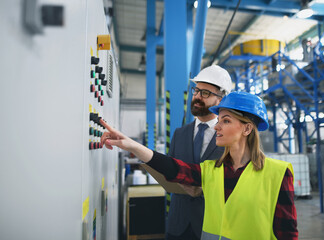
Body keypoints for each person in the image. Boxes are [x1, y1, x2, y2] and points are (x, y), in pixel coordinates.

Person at [100, 91, 298, 240]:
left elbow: (287, 232)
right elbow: (172, 168)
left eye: (226, 121)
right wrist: (131, 145)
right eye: (218, 120)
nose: (217, 126)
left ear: (247, 128)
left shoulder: (278, 173)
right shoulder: (211, 170)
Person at [163, 65, 232, 240]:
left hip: (213, 224)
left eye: (205, 93)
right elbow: (169, 170)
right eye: (196, 91)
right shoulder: (180, 134)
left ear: (221, 99)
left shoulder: (230, 136)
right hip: (178, 224)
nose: (197, 97)